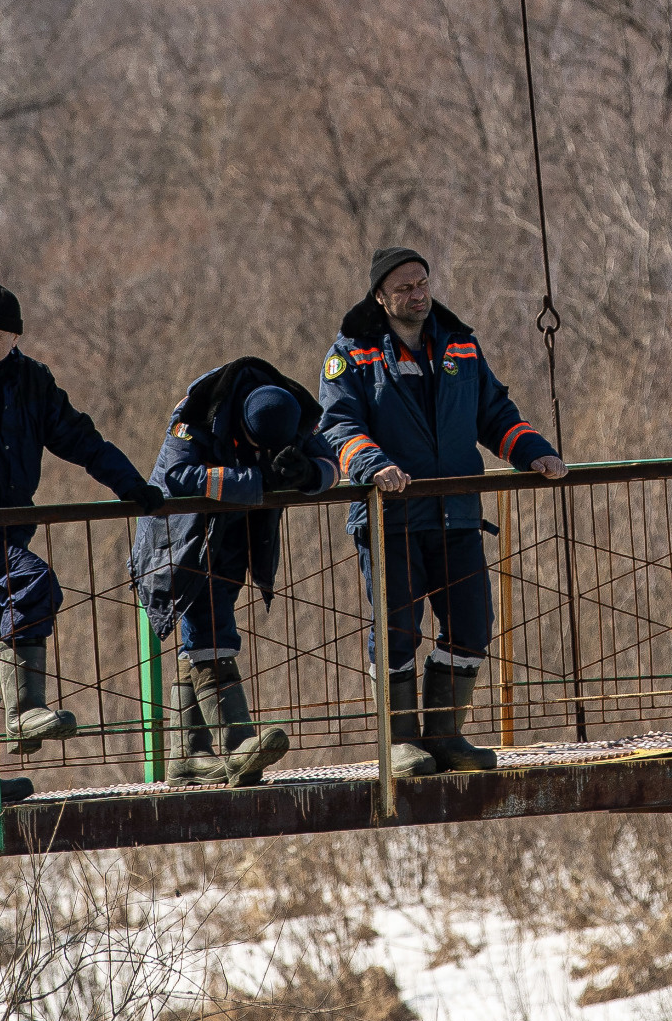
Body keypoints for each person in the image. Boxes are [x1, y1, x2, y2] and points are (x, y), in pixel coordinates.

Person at [0, 283, 165, 811]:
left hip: (8, 526)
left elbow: (80, 439)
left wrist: (130, 485)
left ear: (14, 339)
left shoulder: (33, 381)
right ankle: (23, 711)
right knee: (32, 583)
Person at [318, 246, 564, 779]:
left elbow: (494, 413)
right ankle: (401, 740)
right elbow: (337, 427)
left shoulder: (461, 346)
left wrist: (534, 451)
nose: (418, 294)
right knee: (398, 630)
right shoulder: (351, 354)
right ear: (380, 296)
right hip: (392, 520)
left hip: (457, 514)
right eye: (404, 287)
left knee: (472, 626)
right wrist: (372, 464)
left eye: (423, 282)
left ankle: (447, 735)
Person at [127, 359, 339, 786]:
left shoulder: (294, 410)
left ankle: (188, 758)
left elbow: (332, 463)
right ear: (241, 424)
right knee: (209, 629)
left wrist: (309, 473)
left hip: (230, 540)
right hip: (179, 543)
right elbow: (179, 475)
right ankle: (239, 743)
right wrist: (256, 479)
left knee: (199, 637)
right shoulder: (200, 410)